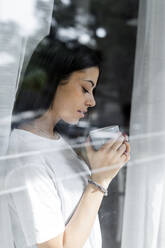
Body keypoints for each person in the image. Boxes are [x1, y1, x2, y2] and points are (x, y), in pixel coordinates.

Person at [5, 42, 130, 248]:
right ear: (52, 81)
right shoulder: (28, 163)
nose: (92, 101)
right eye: (85, 89)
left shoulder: (54, 140)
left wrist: (95, 163)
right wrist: (100, 181)